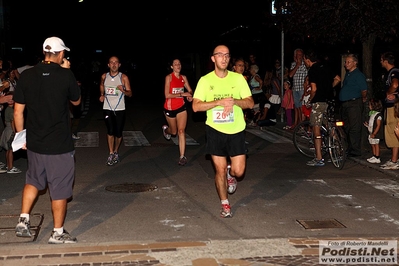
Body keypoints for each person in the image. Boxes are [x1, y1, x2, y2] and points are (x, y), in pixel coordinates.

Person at [13, 36, 81, 243]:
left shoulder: (27, 76)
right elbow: (76, 101)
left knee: (33, 180)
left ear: (45, 52)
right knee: (59, 188)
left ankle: (23, 219)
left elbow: (18, 111)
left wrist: (21, 136)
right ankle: (57, 233)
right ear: (60, 54)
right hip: (59, 144)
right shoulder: (65, 75)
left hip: (35, 142)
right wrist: (68, 70)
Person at [192, 44, 254, 218]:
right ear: (213, 59)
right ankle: (225, 204)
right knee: (218, 170)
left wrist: (233, 101)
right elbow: (196, 107)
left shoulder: (238, 79)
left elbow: (249, 102)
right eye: (220, 55)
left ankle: (231, 174)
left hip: (236, 130)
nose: (224, 58)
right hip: (215, 130)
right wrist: (218, 103)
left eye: (227, 55)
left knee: (239, 171)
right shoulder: (205, 81)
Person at [303, 49, 341, 167]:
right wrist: (328, 89)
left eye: (305, 60)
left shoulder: (312, 70)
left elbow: (313, 89)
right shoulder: (326, 66)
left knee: (316, 128)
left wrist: (310, 100)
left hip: (318, 102)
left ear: (308, 60)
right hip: (330, 100)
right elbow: (338, 79)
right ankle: (338, 151)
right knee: (331, 125)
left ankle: (319, 158)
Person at [99, 56, 132, 166]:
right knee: (110, 130)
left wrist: (123, 90)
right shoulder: (104, 76)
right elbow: (101, 85)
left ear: (119, 65)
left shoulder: (124, 77)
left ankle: (116, 150)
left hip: (120, 109)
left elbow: (130, 93)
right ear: (108, 65)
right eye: (111, 62)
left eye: (116, 62)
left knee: (118, 133)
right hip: (107, 107)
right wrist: (102, 95)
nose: (113, 64)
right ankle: (111, 152)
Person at [162, 58, 193, 166]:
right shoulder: (169, 77)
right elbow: (167, 95)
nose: (178, 65)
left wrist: (189, 96)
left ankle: (182, 156)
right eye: (175, 64)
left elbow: (189, 90)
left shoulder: (183, 78)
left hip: (181, 107)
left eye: (179, 64)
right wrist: (182, 94)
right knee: (174, 132)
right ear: (172, 67)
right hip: (170, 108)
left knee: (181, 131)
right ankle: (167, 131)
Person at [339, 53, 367, 157]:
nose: (346, 64)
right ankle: (350, 147)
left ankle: (355, 150)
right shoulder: (348, 74)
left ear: (355, 63)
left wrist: (362, 98)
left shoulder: (358, 75)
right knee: (347, 126)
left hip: (354, 103)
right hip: (346, 103)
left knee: (354, 126)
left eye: (348, 62)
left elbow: (364, 89)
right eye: (345, 62)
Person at [380, 52, 399, 170]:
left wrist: (389, 93)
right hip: (393, 106)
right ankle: (394, 159)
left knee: (393, 131)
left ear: (385, 60)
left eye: (381, 60)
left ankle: (394, 160)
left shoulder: (394, 72)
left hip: (393, 107)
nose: (380, 62)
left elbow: (395, 84)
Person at [0, 96, 21, 173]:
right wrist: (16, 133)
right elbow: (13, 122)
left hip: (7, 129)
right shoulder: (12, 111)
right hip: (11, 131)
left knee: (8, 149)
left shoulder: (6, 109)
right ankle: (10, 167)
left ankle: (8, 165)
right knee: (11, 149)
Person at [289, 48, 308, 128]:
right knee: (296, 107)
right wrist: (297, 65)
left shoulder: (305, 64)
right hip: (295, 88)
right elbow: (290, 75)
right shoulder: (293, 64)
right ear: (295, 56)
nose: (299, 56)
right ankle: (296, 123)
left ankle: (302, 125)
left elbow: (307, 75)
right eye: (298, 55)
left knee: (301, 107)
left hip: (302, 88)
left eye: (301, 55)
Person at [364, 98, 383, 164]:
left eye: (370, 105)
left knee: (376, 144)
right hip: (371, 132)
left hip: (375, 133)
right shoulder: (372, 114)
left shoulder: (378, 115)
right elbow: (372, 123)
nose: (369, 106)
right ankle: (374, 155)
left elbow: (378, 125)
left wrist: (374, 133)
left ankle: (377, 157)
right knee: (372, 144)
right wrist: (368, 125)